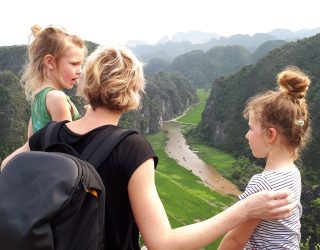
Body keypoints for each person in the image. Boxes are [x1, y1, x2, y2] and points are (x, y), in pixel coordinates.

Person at [1, 46, 297, 250]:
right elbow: (162, 243)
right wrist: (243, 209)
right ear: (133, 94)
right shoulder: (131, 148)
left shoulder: (49, 133)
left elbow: (6, 170)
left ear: (85, 86)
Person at [218, 66, 311, 250]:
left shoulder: (262, 184)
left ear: (270, 135)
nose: (246, 135)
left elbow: (234, 241)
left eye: (251, 128)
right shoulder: (293, 173)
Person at [21, 24, 87, 138]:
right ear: (50, 62)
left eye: (81, 64)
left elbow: (31, 143)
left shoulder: (37, 99)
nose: (80, 71)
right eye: (74, 64)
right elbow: (66, 144)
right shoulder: (57, 98)